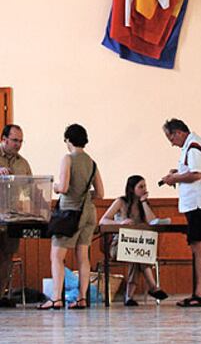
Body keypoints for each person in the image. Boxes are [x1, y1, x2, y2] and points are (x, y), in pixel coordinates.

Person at [37, 123, 104, 310]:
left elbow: (64, 187)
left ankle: (57, 298)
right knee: (83, 256)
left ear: (68, 140)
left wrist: (54, 185)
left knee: (56, 256)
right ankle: (82, 298)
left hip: (69, 214)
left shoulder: (68, 158)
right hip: (89, 212)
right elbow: (100, 193)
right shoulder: (92, 162)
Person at [161, 119, 201, 307]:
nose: (171, 143)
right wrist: (177, 173)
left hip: (198, 204)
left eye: (170, 137)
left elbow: (196, 174)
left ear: (178, 132)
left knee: (199, 248)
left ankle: (200, 293)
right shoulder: (195, 144)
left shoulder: (193, 146)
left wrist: (174, 178)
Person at [99, 175, 168, 306]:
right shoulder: (121, 201)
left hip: (137, 245)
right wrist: (120, 223)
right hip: (119, 245)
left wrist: (144, 203)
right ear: (132, 189)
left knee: (137, 254)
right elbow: (103, 220)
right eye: (140, 187)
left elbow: (152, 222)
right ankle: (152, 286)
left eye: (145, 186)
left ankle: (129, 297)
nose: (144, 189)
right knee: (137, 254)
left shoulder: (144, 205)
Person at [0, 124, 31, 308]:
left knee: (6, 257)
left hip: (12, 218)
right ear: (4, 139)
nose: (18, 144)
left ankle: (1, 293)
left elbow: (31, 189)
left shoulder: (23, 163)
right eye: (14, 140)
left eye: (20, 141)